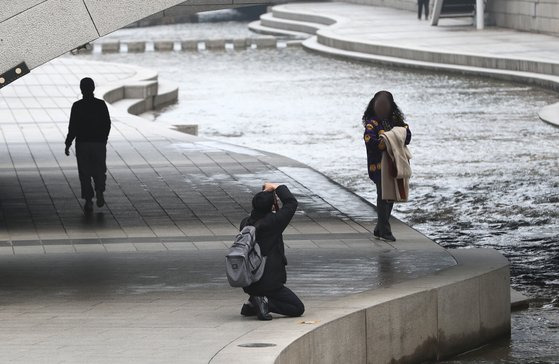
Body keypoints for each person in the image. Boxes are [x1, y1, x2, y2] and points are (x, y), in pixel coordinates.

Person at [239, 182, 305, 321]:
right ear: (271, 206)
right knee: (297, 308)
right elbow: (291, 202)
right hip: (269, 284)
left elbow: (260, 205)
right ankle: (264, 303)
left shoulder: (245, 223)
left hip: (250, 282)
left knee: (260, 291)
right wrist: (278, 187)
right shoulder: (273, 223)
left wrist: (264, 194)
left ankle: (252, 303)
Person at [363, 91, 411, 242]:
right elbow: (370, 141)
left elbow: (407, 135)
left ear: (391, 106)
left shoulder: (395, 120)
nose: (382, 108)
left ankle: (379, 228)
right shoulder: (372, 123)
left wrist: (392, 138)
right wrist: (386, 142)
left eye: (385, 105)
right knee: (383, 195)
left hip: (393, 164)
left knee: (390, 196)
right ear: (374, 105)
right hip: (378, 166)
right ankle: (385, 230)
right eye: (379, 105)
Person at [65, 77, 111, 213]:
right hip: (98, 143)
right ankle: (100, 190)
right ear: (93, 89)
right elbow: (107, 123)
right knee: (99, 169)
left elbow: (72, 126)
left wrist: (68, 143)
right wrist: (104, 139)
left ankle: (89, 201)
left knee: (84, 173)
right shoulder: (101, 104)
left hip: (83, 143)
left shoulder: (77, 106)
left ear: (81, 89)